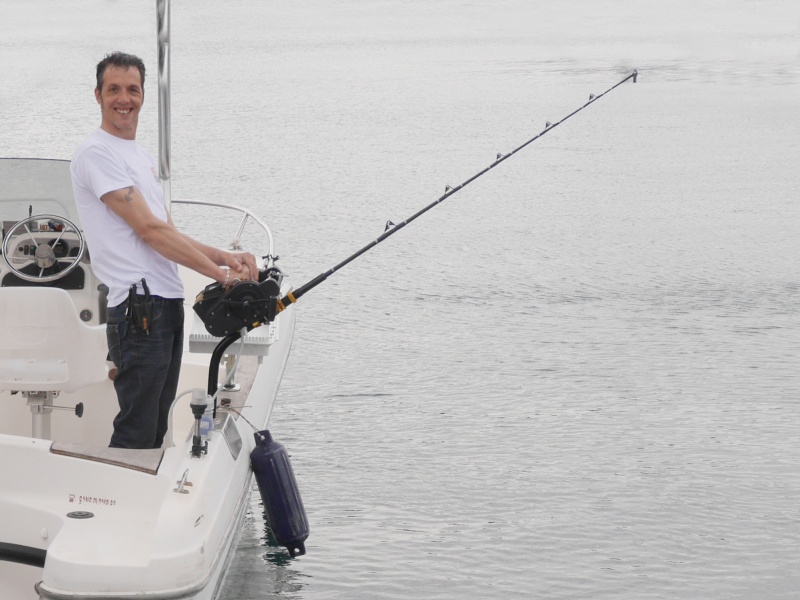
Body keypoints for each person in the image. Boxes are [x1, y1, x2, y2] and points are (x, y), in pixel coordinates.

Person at [71, 52, 256, 449]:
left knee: (156, 428)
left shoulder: (137, 156)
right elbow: (150, 231)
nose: (124, 98)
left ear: (142, 96)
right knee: (137, 430)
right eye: (114, 89)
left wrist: (223, 257)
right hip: (139, 310)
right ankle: (116, 504)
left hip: (165, 303)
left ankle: (139, 507)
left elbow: (167, 231)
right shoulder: (96, 153)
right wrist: (223, 278)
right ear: (98, 95)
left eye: (132, 89)